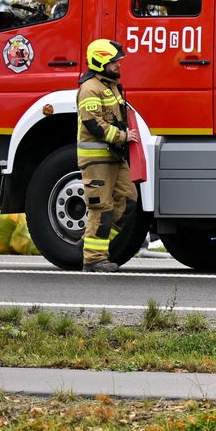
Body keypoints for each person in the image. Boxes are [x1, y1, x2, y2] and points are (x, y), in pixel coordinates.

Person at [76, 38, 134, 272]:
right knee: (102, 208)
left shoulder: (110, 85)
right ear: (100, 63)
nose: (119, 65)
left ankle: (93, 242)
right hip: (97, 159)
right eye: (114, 62)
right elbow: (94, 125)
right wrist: (123, 137)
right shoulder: (90, 88)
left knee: (128, 201)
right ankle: (93, 258)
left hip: (113, 157)